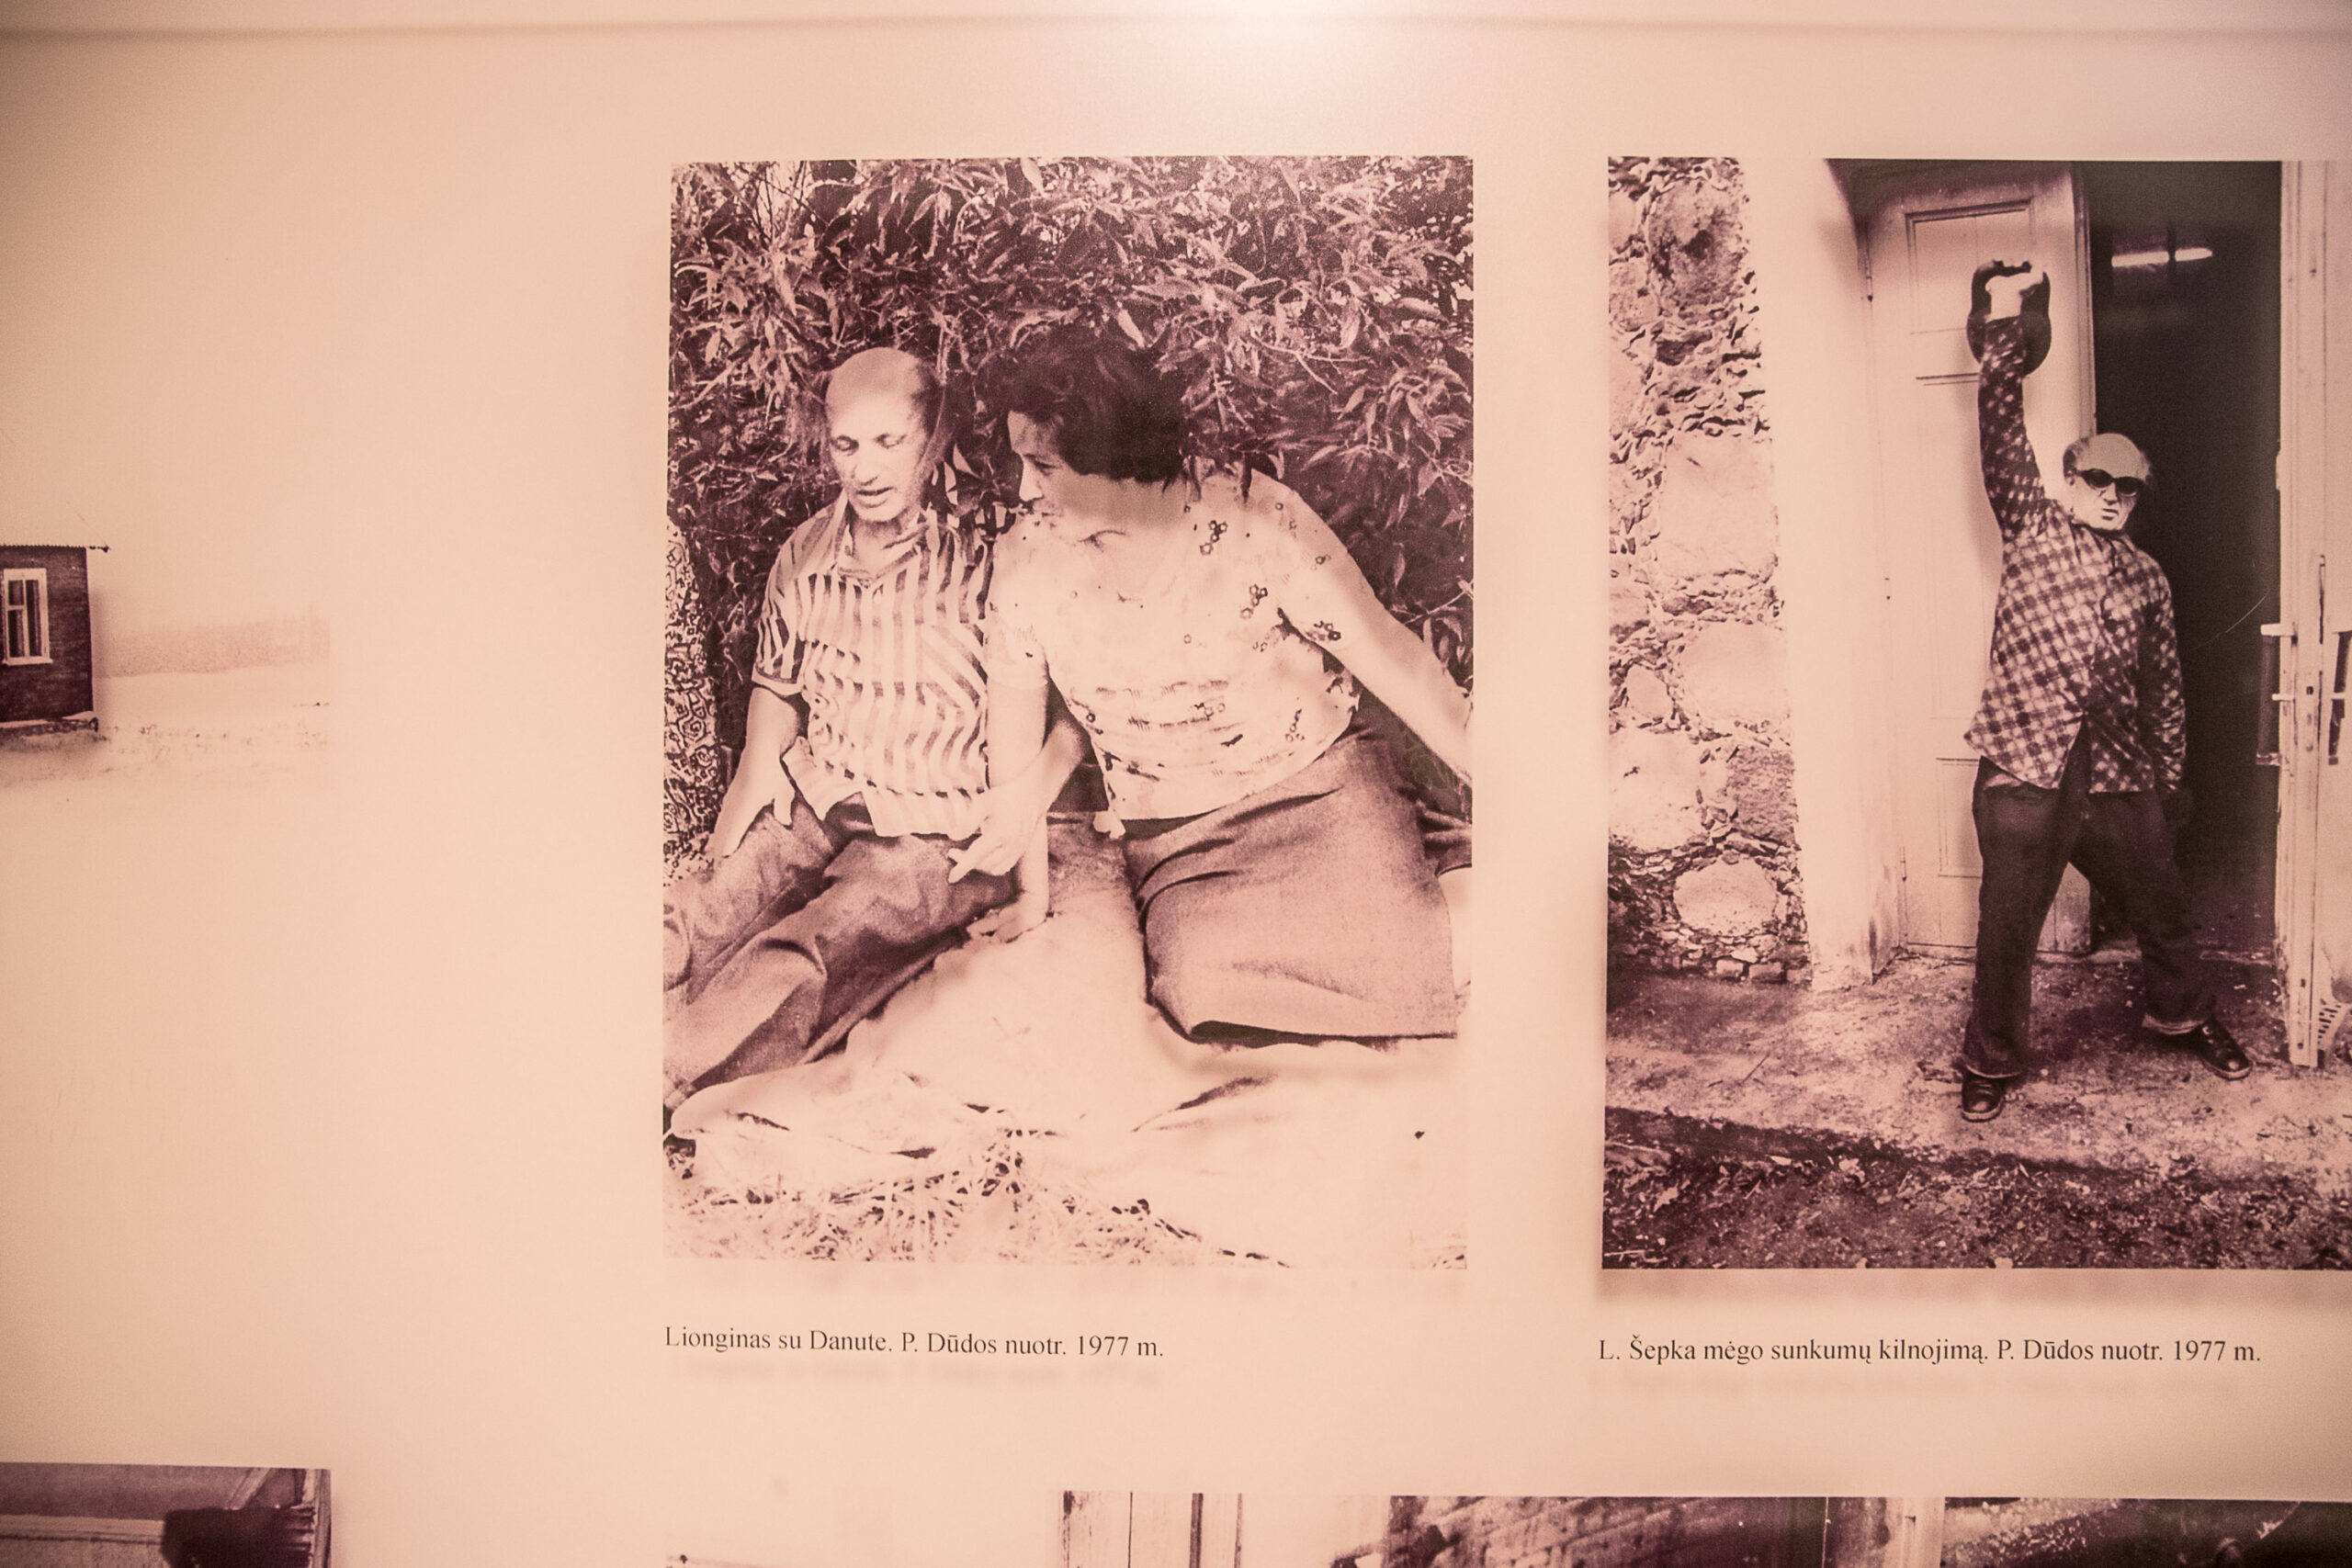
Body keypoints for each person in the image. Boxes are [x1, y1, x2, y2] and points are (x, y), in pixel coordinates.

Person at [957, 325, 1472, 1043]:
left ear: (1110, 457)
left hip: (1321, 790)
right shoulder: (1026, 564)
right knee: (1204, 992)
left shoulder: (1252, 517)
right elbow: (1012, 743)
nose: (1023, 489)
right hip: (1180, 837)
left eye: (1042, 465)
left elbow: (1389, 655)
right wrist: (1031, 895)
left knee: (1422, 961)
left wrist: (1509, 793)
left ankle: (1436, 867)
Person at [661, 346, 1079, 1113]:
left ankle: (668, 1072)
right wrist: (735, 831)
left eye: (890, 441)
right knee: (705, 909)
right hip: (823, 795)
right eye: (847, 445)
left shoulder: (987, 550)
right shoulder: (806, 555)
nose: (866, 468)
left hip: (935, 824)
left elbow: (1061, 708)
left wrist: (1028, 881)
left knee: (823, 935)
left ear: (933, 437)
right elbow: (773, 707)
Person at [1954, 259, 2246, 1123]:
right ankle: (1990, 1059)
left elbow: (2166, 689)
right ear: (2069, 482)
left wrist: (2171, 777)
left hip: (2118, 768)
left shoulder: (2148, 577)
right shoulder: (2031, 525)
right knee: (2008, 922)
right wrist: (2004, 316)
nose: (2115, 499)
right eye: (2100, 483)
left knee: (2161, 897)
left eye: (2129, 489)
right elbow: (1999, 419)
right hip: (2024, 763)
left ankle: (2186, 1013)